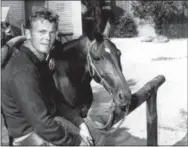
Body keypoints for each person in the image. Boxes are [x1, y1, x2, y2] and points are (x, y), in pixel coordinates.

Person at [1, 7, 93, 146]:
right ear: (28, 33)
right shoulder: (23, 71)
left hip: (48, 125)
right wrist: (77, 142)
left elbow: (55, 100)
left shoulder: (39, 62)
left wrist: (79, 123)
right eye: (41, 32)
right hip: (29, 137)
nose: (48, 38)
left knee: (95, 135)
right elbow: (42, 124)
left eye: (52, 32)